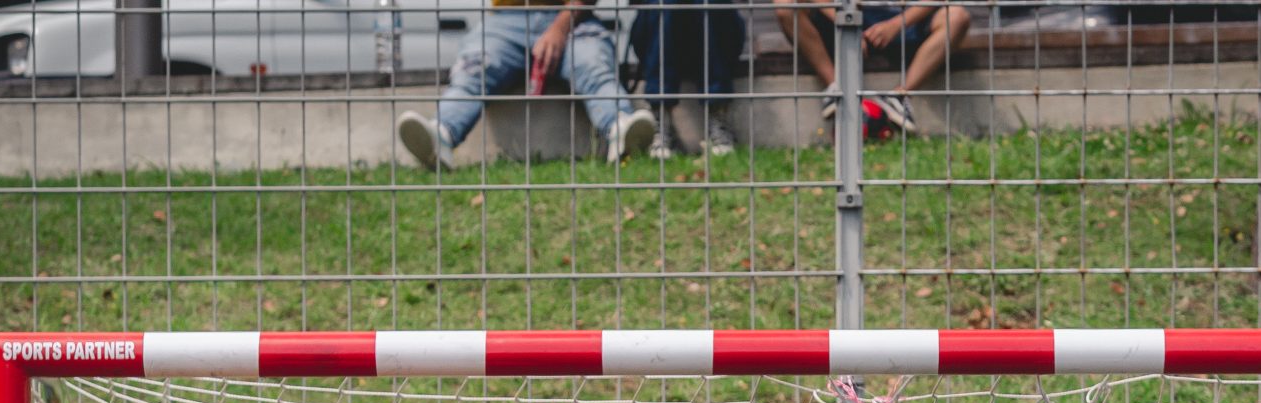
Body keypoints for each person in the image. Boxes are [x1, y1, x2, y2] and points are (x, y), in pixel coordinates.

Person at [396, 0, 656, 173]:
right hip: (507, 19)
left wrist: (559, 28)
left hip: (572, 17)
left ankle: (620, 128)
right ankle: (442, 134)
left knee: (593, 66)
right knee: (474, 71)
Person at [774, 2, 977, 138]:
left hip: (906, 21)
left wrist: (896, 24)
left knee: (957, 16)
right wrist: (847, 22)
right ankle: (836, 89)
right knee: (785, 5)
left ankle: (899, 96)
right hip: (845, 17)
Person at [632, 0, 746, 159]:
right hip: (660, 29)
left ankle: (717, 117)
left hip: (715, 28)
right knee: (663, 4)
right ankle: (662, 121)